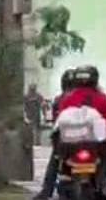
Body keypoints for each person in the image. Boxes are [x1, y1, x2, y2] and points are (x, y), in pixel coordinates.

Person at [56, 65, 106, 200]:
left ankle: (53, 187)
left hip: (71, 148)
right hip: (98, 147)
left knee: (61, 168)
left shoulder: (67, 100)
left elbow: (59, 123)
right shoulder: (103, 99)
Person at [32, 69, 75, 200]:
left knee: (55, 161)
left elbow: (56, 123)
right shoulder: (87, 97)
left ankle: (47, 190)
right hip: (84, 141)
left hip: (66, 142)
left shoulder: (59, 100)